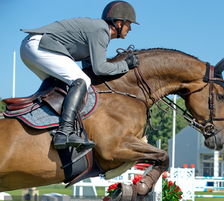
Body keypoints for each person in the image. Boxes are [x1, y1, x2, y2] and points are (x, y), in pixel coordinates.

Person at [20, 1, 139, 151]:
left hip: (32, 48)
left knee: (65, 87)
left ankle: (52, 128)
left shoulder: (98, 32)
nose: (131, 28)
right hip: (39, 46)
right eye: (129, 24)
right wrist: (125, 65)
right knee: (81, 80)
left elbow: (92, 70)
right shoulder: (101, 31)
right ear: (119, 23)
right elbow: (100, 67)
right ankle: (65, 131)